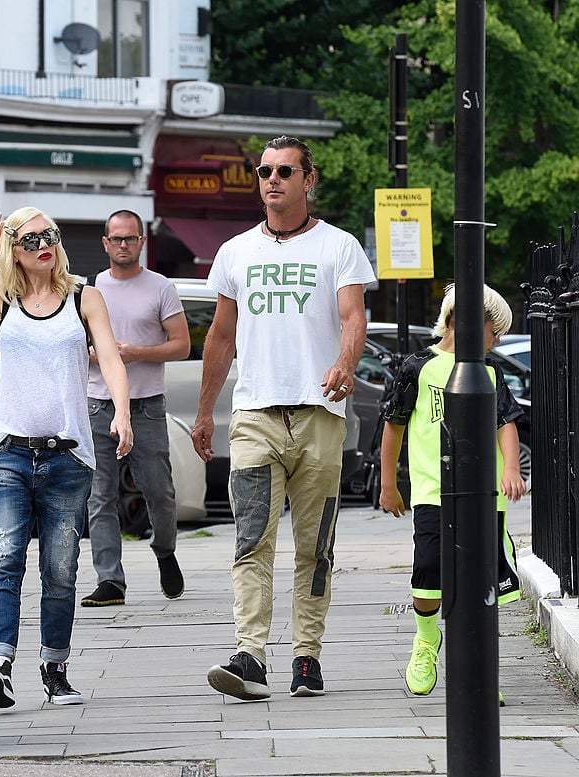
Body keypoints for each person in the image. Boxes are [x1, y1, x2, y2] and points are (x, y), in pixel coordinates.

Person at [0, 206, 133, 708]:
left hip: (68, 456)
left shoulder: (87, 298)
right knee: (4, 559)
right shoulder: (2, 299)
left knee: (60, 570)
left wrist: (121, 413)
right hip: (7, 453)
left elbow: (111, 359)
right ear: (13, 248)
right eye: (31, 238)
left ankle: (55, 669)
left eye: (50, 235)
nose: (44, 244)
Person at [191, 135, 376, 701]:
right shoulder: (235, 251)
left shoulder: (338, 246)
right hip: (254, 416)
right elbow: (221, 337)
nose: (272, 179)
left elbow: (352, 316)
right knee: (251, 540)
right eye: (264, 171)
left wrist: (346, 362)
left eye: (285, 171)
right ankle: (249, 655)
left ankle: (306, 658)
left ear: (308, 180)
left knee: (314, 546)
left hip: (319, 415)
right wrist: (204, 413)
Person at [379, 283, 525, 698]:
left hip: (484, 499)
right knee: (427, 574)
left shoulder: (491, 372)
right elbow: (394, 424)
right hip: (431, 492)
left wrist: (511, 468)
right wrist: (390, 484)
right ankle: (426, 640)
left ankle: (478, 670)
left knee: (484, 587)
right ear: (475, 324)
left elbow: (506, 423)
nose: (497, 341)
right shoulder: (417, 367)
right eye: (496, 332)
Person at [81, 209, 190, 607]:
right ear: (105, 243)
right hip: (98, 404)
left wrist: (136, 353)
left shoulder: (160, 287)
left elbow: (181, 344)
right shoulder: (89, 290)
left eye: (131, 238)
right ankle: (110, 580)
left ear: (142, 241)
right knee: (99, 496)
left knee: (159, 492)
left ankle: (164, 551)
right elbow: (73, 344)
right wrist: (96, 355)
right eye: (116, 239)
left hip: (146, 406)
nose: (123, 245)